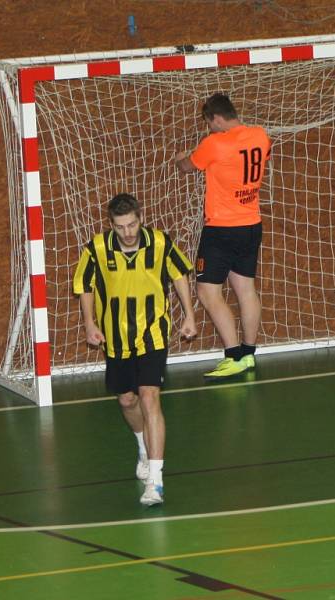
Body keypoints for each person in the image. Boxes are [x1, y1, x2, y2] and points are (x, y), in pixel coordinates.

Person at [73, 193, 197, 506]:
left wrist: (189, 315)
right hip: (116, 338)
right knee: (127, 401)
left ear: (140, 218)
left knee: (149, 395)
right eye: (121, 227)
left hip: (153, 332)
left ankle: (155, 481)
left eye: (132, 224)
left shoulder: (160, 243)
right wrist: (89, 323)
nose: (128, 232)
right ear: (110, 225)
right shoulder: (96, 249)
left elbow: (178, 274)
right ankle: (142, 445)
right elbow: (85, 287)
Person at [175, 93, 271, 378]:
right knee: (245, 289)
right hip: (252, 224)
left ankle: (232, 356)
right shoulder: (260, 135)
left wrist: (181, 157)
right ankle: (248, 353)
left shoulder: (214, 144)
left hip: (221, 229)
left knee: (207, 291)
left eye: (209, 123)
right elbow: (262, 154)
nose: (209, 129)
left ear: (217, 118)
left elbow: (187, 166)